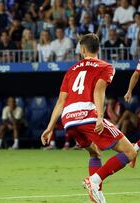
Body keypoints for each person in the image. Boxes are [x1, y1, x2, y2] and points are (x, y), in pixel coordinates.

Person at [41, 33, 137, 203]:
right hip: (88, 116)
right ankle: (94, 181)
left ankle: (96, 197)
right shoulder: (105, 66)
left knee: (95, 153)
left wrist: (49, 127)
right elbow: (98, 91)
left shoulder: (71, 70)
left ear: (82, 49)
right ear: (98, 49)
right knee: (129, 152)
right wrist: (100, 116)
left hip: (69, 120)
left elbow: (61, 101)